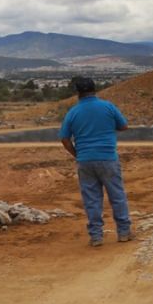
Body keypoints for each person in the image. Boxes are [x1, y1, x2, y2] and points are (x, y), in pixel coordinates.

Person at [59, 76, 132, 247]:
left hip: (85, 160)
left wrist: (77, 154)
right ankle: (123, 233)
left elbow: (64, 139)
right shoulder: (108, 106)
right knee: (117, 196)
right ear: (95, 89)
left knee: (92, 199)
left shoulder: (73, 112)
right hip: (108, 158)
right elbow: (124, 126)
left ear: (77, 93)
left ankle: (96, 236)